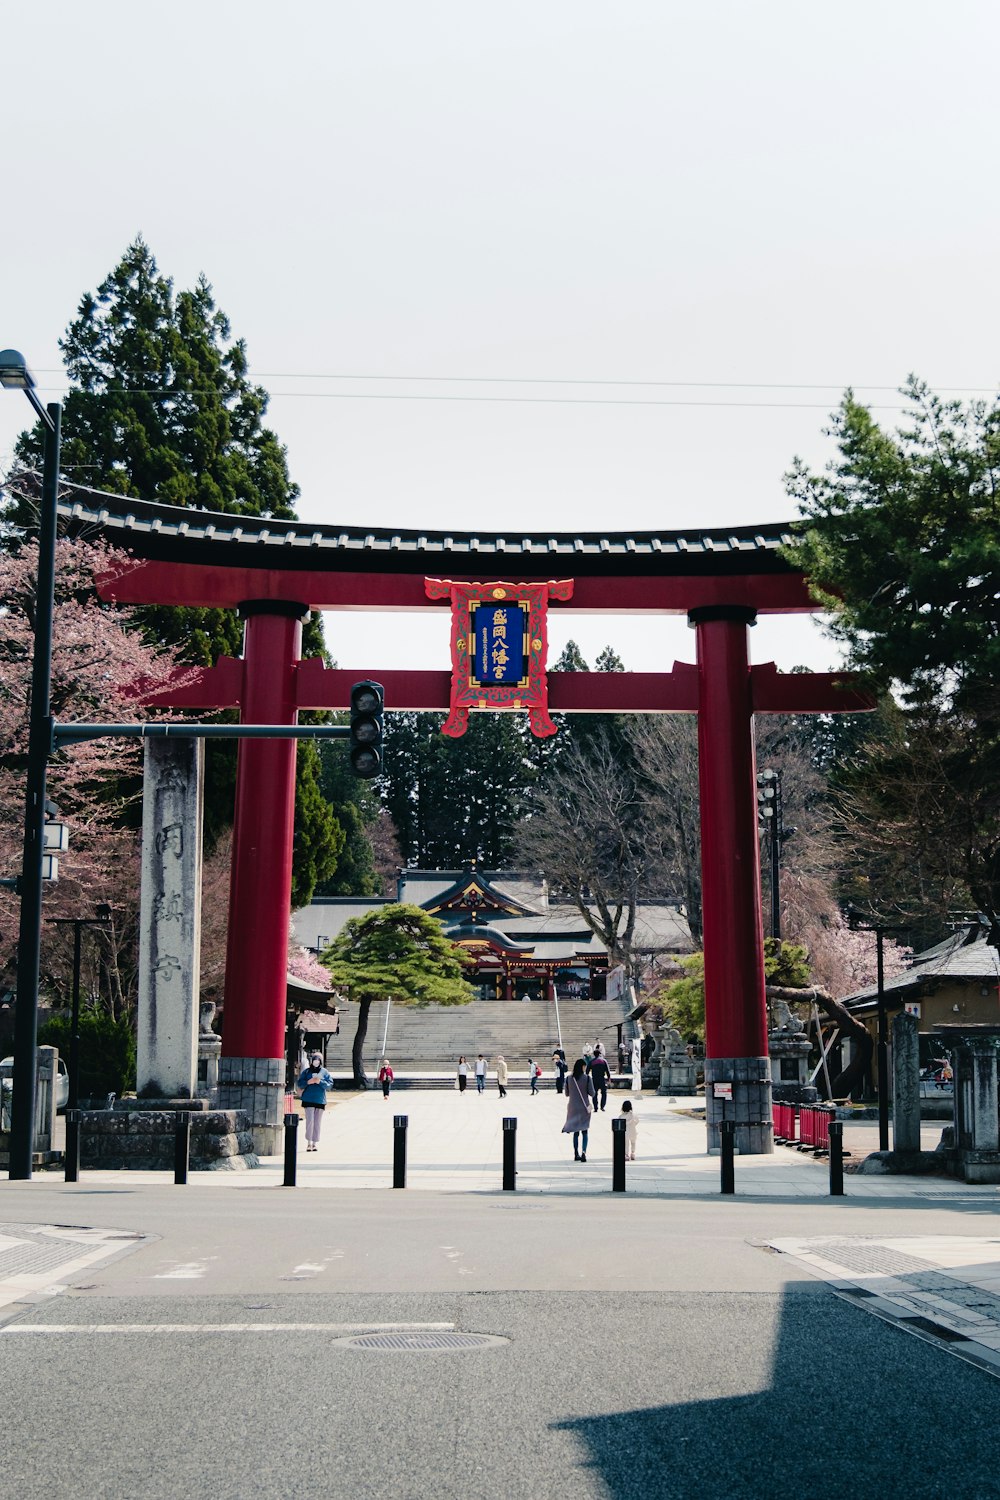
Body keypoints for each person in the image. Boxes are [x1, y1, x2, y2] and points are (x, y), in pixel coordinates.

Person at [296, 1051, 336, 1152]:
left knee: (317, 1122)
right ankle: (308, 1142)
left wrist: (320, 1082)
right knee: (310, 1121)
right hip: (308, 1099)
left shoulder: (324, 1072)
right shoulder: (306, 1072)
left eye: (318, 1060)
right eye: (315, 1060)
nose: (316, 1062)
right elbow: (300, 1083)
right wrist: (308, 1082)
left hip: (320, 1100)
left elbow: (330, 1085)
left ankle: (314, 1143)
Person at [562, 1058, 596, 1161]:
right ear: (583, 1067)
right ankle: (584, 1152)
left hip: (573, 1108)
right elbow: (592, 1093)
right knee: (584, 1131)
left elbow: (567, 1094)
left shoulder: (569, 1078)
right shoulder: (587, 1078)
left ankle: (576, 1153)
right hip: (584, 1108)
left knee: (575, 1132)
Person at [589, 1044, 611, 1112]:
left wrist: (587, 1079)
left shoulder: (592, 1061)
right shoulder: (604, 1061)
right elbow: (607, 1071)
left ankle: (595, 1107)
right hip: (602, 1079)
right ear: (599, 1054)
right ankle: (602, 1106)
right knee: (604, 1093)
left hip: (594, 1079)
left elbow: (587, 1071)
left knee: (594, 1093)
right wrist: (609, 1078)